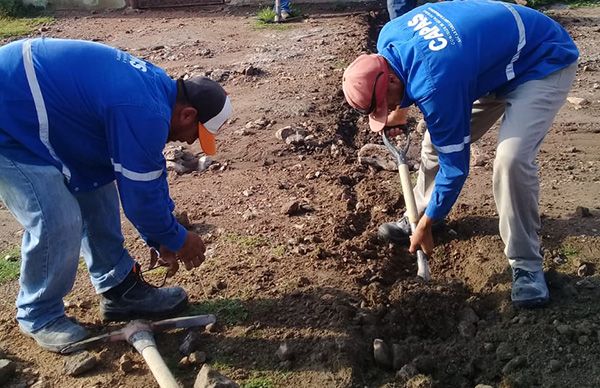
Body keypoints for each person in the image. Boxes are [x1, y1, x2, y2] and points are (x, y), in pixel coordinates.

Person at [0, 37, 233, 352]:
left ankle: (118, 287)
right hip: (8, 122)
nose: (192, 142)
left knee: (96, 185)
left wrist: (161, 234)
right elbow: (140, 200)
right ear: (188, 115)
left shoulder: (156, 92)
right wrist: (177, 238)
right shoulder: (144, 110)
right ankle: (38, 314)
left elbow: (149, 178)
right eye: (197, 134)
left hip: (31, 104)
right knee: (56, 217)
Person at [342, 0, 578, 308]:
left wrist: (430, 224)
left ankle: (526, 265)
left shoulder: (437, 81)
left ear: (392, 81)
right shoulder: (389, 36)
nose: (386, 113)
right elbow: (414, 77)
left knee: (511, 160)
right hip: (488, 64)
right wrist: (396, 108)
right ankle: (420, 214)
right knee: (433, 144)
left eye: (384, 105)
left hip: (540, 59)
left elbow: (456, 168)